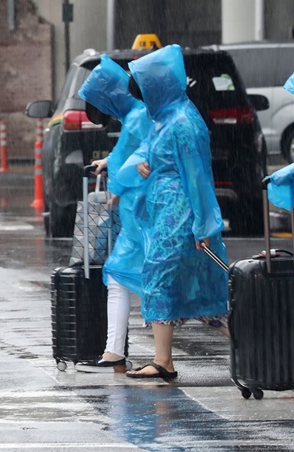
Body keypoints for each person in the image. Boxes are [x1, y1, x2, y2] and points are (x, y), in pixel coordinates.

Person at [118, 45, 230, 380]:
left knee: (164, 275)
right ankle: (164, 359)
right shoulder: (167, 117)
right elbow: (167, 159)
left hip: (179, 214)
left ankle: (164, 360)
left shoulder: (181, 121)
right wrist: (149, 165)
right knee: (193, 286)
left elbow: (197, 176)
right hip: (168, 210)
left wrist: (204, 224)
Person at [74, 55, 152, 373]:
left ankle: (118, 353)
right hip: (142, 213)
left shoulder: (136, 117)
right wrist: (110, 162)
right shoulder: (140, 113)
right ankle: (114, 352)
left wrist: (116, 177)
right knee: (122, 276)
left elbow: (135, 157)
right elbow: (132, 153)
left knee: (129, 276)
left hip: (142, 212)